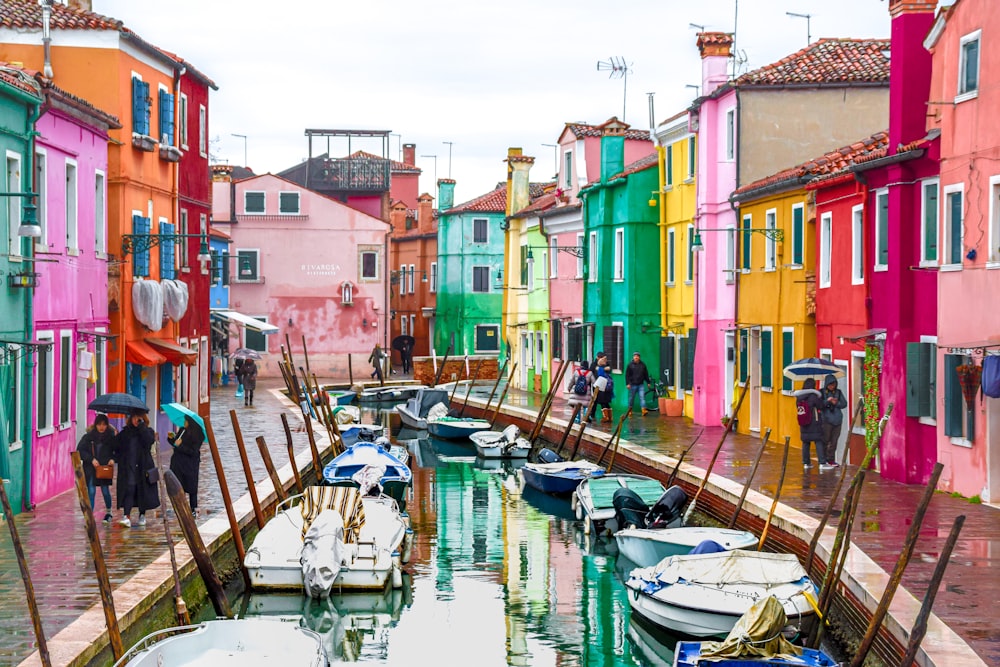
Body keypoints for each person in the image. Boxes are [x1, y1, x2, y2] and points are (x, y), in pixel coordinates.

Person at [113, 409, 160, 527]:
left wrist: (141, 427)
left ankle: (142, 515)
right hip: (128, 467)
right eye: (134, 418)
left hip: (143, 467)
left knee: (142, 490)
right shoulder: (125, 433)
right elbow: (116, 447)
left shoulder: (147, 431)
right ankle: (126, 516)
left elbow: (148, 441)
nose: (135, 420)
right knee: (129, 489)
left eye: (138, 418)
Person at [76, 414, 117, 523]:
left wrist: (113, 459)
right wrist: (91, 459)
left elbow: (117, 451)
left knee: (105, 491)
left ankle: (109, 512)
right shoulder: (88, 437)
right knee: (92, 490)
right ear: (96, 425)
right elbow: (80, 450)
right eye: (99, 424)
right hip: (91, 468)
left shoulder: (111, 437)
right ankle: (90, 515)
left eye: (104, 424)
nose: (101, 427)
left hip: (104, 468)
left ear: (107, 425)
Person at [168, 415, 205, 517]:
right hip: (178, 463)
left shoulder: (199, 435)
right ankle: (181, 508)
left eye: (186, 420)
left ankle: (193, 510)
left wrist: (180, 445)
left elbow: (193, 451)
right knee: (179, 487)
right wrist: (171, 439)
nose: (184, 422)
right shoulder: (182, 430)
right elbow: (176, 443)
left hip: (190, 465)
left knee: (192, 488)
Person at [795, 379, 825, 469]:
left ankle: (806, 463)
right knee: (818, 441)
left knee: (805, 442)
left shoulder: (799, 397)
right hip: (814, 422)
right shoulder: (813, 396)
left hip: (803, 422)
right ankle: (822, 462)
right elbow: (821, 406)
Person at [819, 374, 847, 470]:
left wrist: (836, 403)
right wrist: (827, 401)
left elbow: (844, 404)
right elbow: (819, 405)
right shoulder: (821, 392)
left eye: (833, 384)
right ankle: (823, 459)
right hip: (826, 420)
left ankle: (831, 459)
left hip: (837, 420)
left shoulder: (838, 392)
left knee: (834, 441)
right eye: (830, 384)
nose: (832, 386)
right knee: (825, 440)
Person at [625, 352, 651, 416]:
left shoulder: (643, 365)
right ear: (633, 357)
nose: (636, 357)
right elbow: (627, 375)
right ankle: (630, 410)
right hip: (632, 384)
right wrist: (627, 383)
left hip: (640, 384)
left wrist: (648, 382)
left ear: (639, 357)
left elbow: (646, 374)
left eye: (637, 356)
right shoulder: (630, 365)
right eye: (635, 356)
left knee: (642, 397)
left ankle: (643, 410)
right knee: (631, 398)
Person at [594, 358, 615, 424]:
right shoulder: (608, 371)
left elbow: (600, 378)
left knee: (603, 403)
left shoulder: (600, 370)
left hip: (603, 389)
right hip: (608, 390)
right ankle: (610, 417)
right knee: (606, 403)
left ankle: (606, 417)